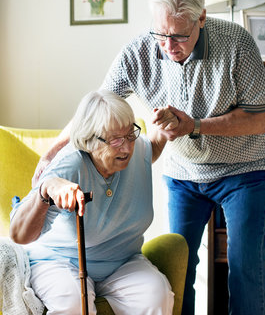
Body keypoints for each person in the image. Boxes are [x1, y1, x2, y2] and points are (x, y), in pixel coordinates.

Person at [33, 0, 265, 315]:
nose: (168, 45)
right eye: (161, 33)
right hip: (184, 172)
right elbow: (95, 109)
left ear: (202, 18)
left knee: (244, 266)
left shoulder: (237, 43)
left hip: (245, 167)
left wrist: (194, 125)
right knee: (178, 266)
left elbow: (259, 118)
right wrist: (51, 151)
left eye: (179, 35)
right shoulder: (138, 52)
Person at [10, 89, 177, 315]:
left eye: (130, 134)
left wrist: (166, 126)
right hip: (60, 261)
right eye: (116, 140)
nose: (127, 147)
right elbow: (19, 235)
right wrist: (46, 190)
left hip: (122, 261)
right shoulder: (70, 165)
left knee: (157, 296)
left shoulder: (136, 150)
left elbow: (151, 149)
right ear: (89, 141)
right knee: (73, 305)